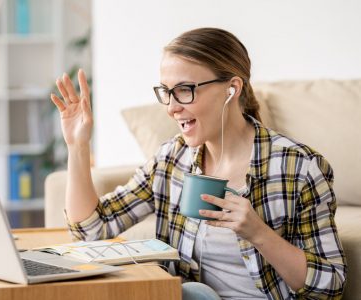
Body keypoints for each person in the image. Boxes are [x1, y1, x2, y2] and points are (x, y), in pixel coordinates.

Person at [50, 27, 347, 299]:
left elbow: (330, 286)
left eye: (184, 90)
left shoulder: (298, 167)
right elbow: (91, 229)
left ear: (231, 89)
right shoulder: (172, 159)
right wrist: (77, 146)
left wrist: (258, 233)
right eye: (166, 92)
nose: (171, 107)